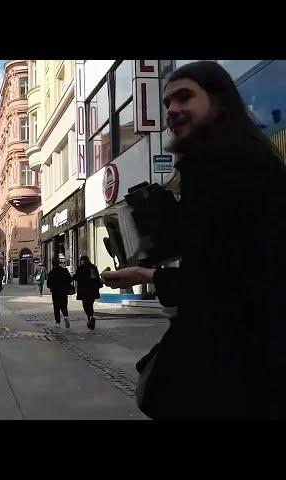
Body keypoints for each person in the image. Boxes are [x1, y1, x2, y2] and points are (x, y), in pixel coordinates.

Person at [101, 61, 286, 420]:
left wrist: (148, 275)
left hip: (238, 357)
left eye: (185, 97)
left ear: (218, 101)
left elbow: (224, 278)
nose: (172, 110)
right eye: (168, 102)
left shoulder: (223, 163)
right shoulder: (231, 156)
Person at [72, 256, 102, 330]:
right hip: (93, 290)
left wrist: (73, 276)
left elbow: (77, 277)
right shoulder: (93, 267)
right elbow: (97, 278)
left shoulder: (81, 268)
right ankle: (90, 318)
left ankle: (90, 318)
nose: (81, 262)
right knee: (90, 305)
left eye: (81, 260)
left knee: (85, 305)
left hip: (84, 290)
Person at [46, 256, 73, 328]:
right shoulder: (64, 270)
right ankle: (65, 316)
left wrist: (52, 287)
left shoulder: (51, 273)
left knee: (56, 307)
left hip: (55, 292)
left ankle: (57, 322)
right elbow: (70, 279)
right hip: (64, 291)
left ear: (52, 264)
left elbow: (48, 284)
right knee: (64, 305)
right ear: (59, 263)